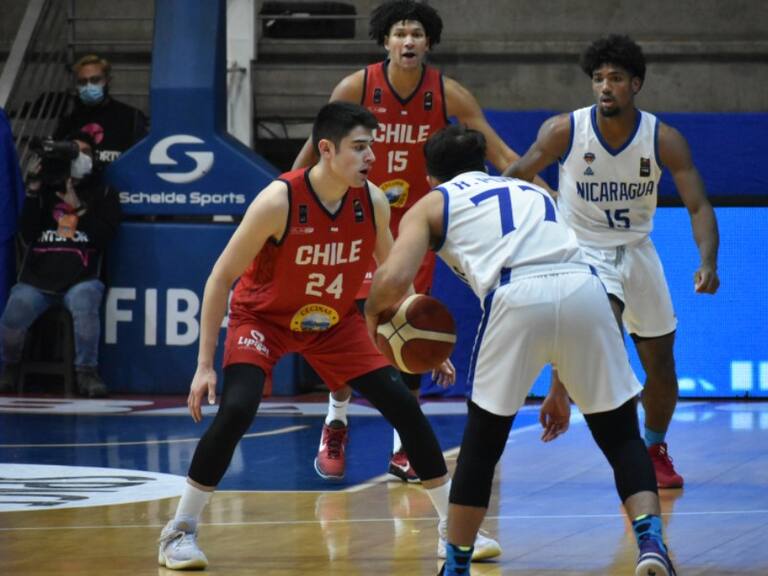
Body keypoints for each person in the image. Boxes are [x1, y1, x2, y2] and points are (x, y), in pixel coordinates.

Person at [157, 103, 501, 570]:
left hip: (333, 323)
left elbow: (394, 273)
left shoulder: (372, 200)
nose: (370, 157)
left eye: (371, 147)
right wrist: (203, 366)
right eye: (359, 147)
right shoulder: (278, 201)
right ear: (326, 149)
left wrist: (424, 336)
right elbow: (220, 278)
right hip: (264, 320)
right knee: (238, 408)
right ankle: (179, 531)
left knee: (403, 405)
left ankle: (452, 531)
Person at [364, 124, 677, 576]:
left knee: (481, 446)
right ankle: (650, 544)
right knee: (622, 436)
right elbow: (558, 280)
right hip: (585, 288)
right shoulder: (532, 190)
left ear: (430, 177)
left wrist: (371, 317)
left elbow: (394, 279)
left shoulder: (432, 203)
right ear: (484, 165)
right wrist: (559, 388)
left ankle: (456, 566)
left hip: (514, 293)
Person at [293, 0, 536, 483]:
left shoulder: (448, 93)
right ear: (385, 41)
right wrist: (283, 203)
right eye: (400, 33)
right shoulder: (356, 88)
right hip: (354, 219)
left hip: (414, 229)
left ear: (428, 43)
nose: (408, 41)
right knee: (345, 327)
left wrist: (544, 192)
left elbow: (500, 150)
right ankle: (336, 419)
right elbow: (313, 154)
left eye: (417, 34)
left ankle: (402, 447)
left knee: (408, 328)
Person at [504, 34, 720, 489]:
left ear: (635, 84)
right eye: (598, 78)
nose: (605, 86)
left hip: (638, 251)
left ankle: (654, 448)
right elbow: (516, 177)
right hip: (583, 249)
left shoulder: (663, 139)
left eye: (616, 78)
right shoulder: (564, 130)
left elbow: (698, 205)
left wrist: (707, 261)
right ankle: (565, 395)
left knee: (661, 366)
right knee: (602, 319)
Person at [0, 132, 121, 397]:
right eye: (74, 151)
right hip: (38, 279)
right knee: (14, 311)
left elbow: (103, 237)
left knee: (85, 302)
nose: (79, 157)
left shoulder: (105, 193)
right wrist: (33, 190)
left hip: (82, 278)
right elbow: (27, 234)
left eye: (85, 152)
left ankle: (86, 373)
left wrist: (77, 207)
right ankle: (9, 368)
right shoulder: (46, 189)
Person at [54, 54, 148, 167]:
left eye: (95, 80)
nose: (88, 86)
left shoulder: (131, 118)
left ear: (108, 81)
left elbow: (144, 160)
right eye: (82, 82)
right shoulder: (69, 122)